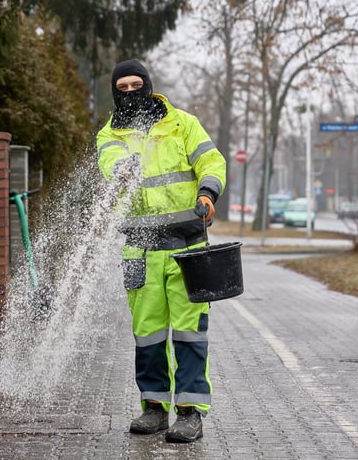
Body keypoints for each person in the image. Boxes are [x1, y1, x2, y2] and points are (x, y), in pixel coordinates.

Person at [96, 59, 226, 443]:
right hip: (142, 250)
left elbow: (210, 159)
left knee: (190, 334)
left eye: (138, 84)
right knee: (148, 336)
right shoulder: (110, 134)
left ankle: (189, 413)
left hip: (188, 246)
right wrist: (122, 167)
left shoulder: (181, 123)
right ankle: (153, 409)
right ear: (116, 92)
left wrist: (207, 192)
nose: (132, 92)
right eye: (124, 87)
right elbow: (110, 162)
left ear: (149, 84)